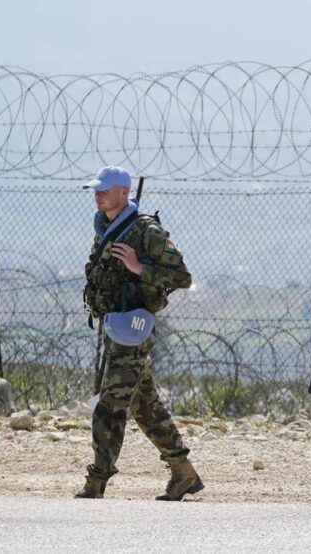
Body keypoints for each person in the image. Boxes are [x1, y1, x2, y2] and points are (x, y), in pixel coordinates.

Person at [75, 165, 201, 501]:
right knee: (145, 406)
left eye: (104, 190)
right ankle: (184, 473)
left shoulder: (145, 230)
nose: (98, 195)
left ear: (123, 192)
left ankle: (97, 480)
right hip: (115, 327)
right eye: (96, 190)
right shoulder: (105, 229)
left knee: (110, 405)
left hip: (134, 328)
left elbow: (182, 276)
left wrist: (139, 267)